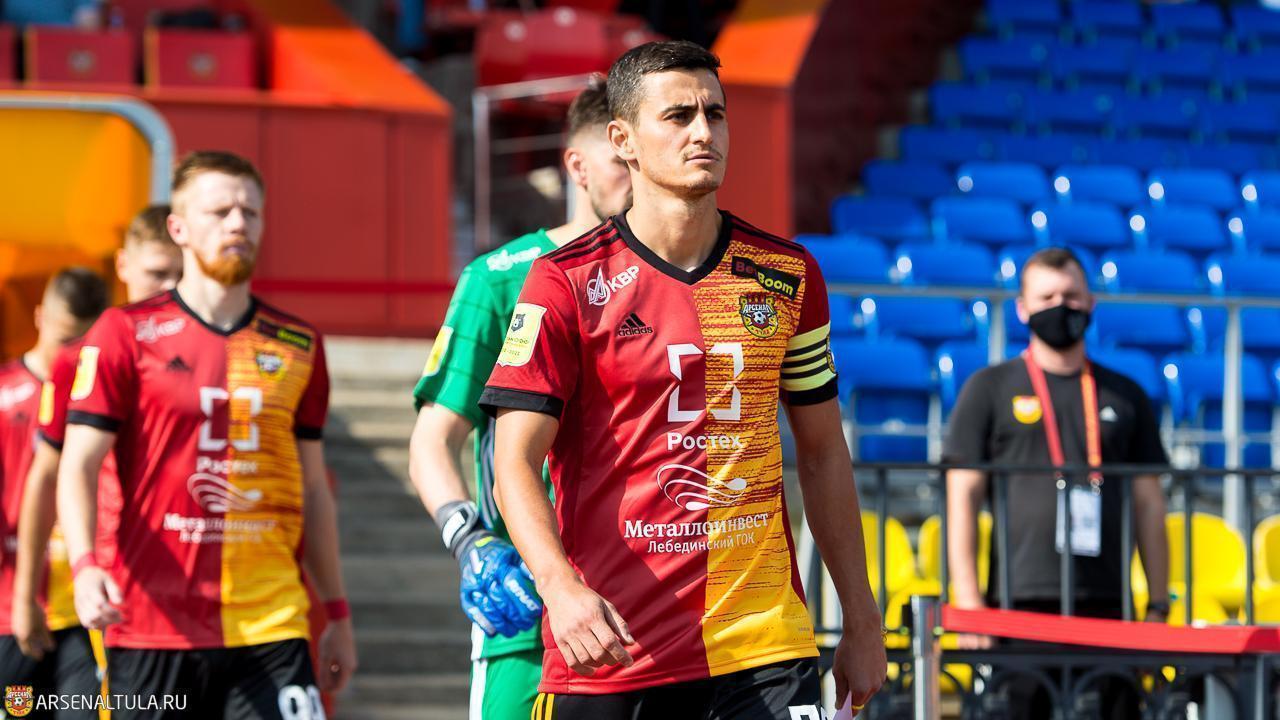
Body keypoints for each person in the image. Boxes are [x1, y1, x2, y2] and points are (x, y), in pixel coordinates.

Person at [479, 40, 886, 719]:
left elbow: (821, 452)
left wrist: (862, 617)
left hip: (762, 644)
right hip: (613, 652)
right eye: (678, 116)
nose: (703, 132)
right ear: (623, 141)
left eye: (714, 114)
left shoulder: (787, 274)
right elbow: (513, 461)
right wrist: (559, 587)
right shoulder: (565, 281)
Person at [56, 151, 356, 719]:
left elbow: (314, 488)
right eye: (220, 212)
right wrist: (84, 564)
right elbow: (77, 465)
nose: (238, 224)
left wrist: (337, 612)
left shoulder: (298, 343)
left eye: (251, 212)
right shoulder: (125, 332)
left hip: (272, 621)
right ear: (179, 228)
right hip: (152, 623)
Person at [409, 78, 631, 720]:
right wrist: (470, 542)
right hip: (530, 607)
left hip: (651, 602)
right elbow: (433, 441)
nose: (636, 177)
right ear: (577, 165)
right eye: (620, 162)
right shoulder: (498, 279)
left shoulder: (675, 282)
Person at [944, 247, 1170, 719]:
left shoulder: (1126, 394)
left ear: (1091, 303)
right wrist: (968, 599)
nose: (1060, 306)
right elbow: (962, 495)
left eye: (1071, 296)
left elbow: (1150, 504)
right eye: (1046, 297)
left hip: (1109, 600)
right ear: (1022, 309)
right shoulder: (988, 388)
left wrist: (1157, 605)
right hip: (1019, 601)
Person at [12, 204, 182, 666]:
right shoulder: (80, 359)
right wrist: (25, 597)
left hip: (194, 591)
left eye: (181, 274)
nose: (170, 288)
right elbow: (45, 476)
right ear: (124, 266)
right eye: (157, 273)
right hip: (102, 588)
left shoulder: (216, 356)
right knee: (45, 699)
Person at [0, 268, 109, 716]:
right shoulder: (5, 393)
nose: (71, 353)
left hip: (82, 609)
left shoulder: (106, 399)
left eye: (82, 341)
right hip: (10, 609)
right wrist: (20, 599)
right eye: (64, 338)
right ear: (40, 316)